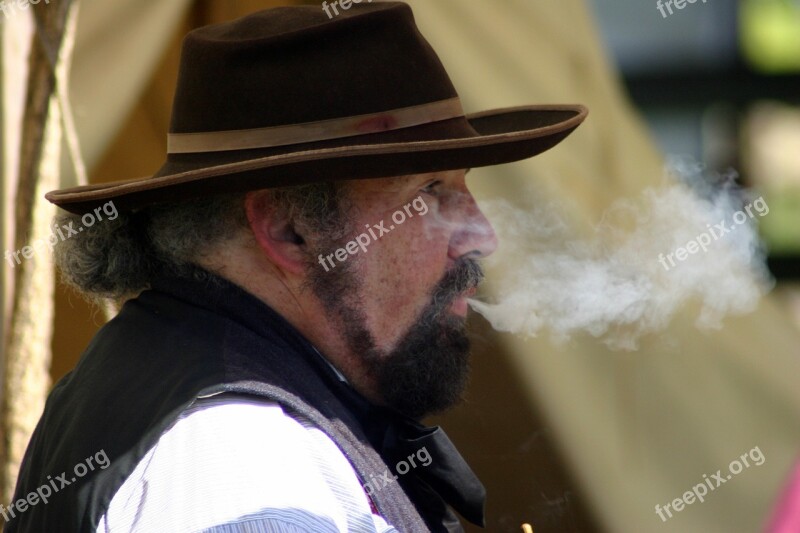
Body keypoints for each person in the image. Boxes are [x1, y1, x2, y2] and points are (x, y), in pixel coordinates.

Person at [7, 2, 586, 532]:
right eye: (430, 191)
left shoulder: (182, 379)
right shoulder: (242, 455)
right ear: (291, 229)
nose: (482, 235)